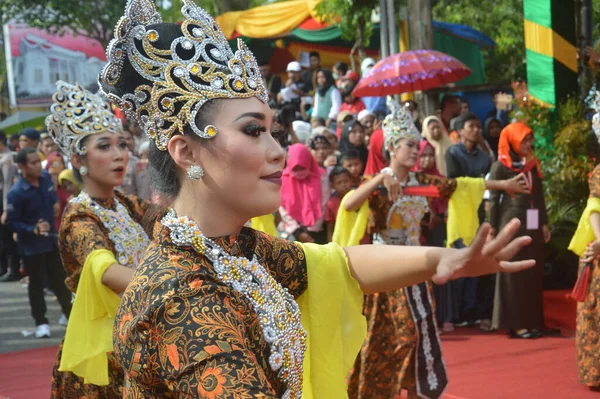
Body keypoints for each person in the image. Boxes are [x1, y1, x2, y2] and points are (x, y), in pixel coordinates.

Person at [99, 2, 535, 397]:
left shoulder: (235, 249)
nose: (278, 151)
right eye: (253, 130)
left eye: (274, 131)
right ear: (185, 151)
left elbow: (333, 264)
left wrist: (442, 260)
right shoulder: (185, 297)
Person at [341, 98, 531, 399]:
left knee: (419, 334)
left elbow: (460, 185)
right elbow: (349, 204)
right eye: (408, 144)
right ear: (391, 148)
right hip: (385, 271)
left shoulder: (421, 180)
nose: (416, 150)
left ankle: (420, 391)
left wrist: (504, 187)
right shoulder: (375, 183)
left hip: (418, 270)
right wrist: (381, 177)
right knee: (388, 338)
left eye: (417, 145)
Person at [45, 81, 152, 398]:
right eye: (105, 146)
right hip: (104, 354)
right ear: (78, 161)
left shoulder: (127, 204)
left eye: (121, 145)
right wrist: (165, 281)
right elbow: (102, 268)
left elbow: (178, 223)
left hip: (142, 335)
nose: (120, 155)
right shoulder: (79, 219)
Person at [490, 122, 550, 338]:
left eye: (529, 139)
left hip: (532, 220)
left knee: (532, 270)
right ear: (513, 140)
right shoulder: (500, 166)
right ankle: (516, 324)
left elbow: (539, 195)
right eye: (524, 139)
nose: (529, 143)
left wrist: (543, 223)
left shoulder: (532, 163)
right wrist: (493, 229)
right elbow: (494, 201)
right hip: (511, 223)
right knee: (513, 272)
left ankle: (533, 321)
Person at [6, 147, 73, 338]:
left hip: (51, 241)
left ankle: (69, 315)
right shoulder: (16, 193)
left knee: (60, 280)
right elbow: (11, 222)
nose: (38, 166)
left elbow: (53, 199)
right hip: (31, 246)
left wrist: (55, 206)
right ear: (21, 166)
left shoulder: (45, 179)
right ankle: (41, 322)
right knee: (36, 284)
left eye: (38, 161)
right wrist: (32, 228)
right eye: (32, 163)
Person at [279, 144, 330, 244]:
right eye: (295, 169)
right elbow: (282, 206)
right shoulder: (283, 179)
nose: (299, 172)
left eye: (302, 168)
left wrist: (312, 229)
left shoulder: (321, 176)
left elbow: (324, 203)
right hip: (293, 232)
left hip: (316, 231)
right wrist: (297, 232)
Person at [0, 132, 20, 282]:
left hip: (5, 202)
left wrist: (7, 209)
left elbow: (7, 184)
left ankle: (13, 269)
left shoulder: (8, 158)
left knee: (8, 237)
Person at [324, 166, 352, 242]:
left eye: (346, 181)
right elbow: (330, 227)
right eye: (339, 183)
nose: (343, 185)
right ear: (332, 186)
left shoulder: (358, 197)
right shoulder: (331, 203)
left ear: (351, 181)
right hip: (342, 241)